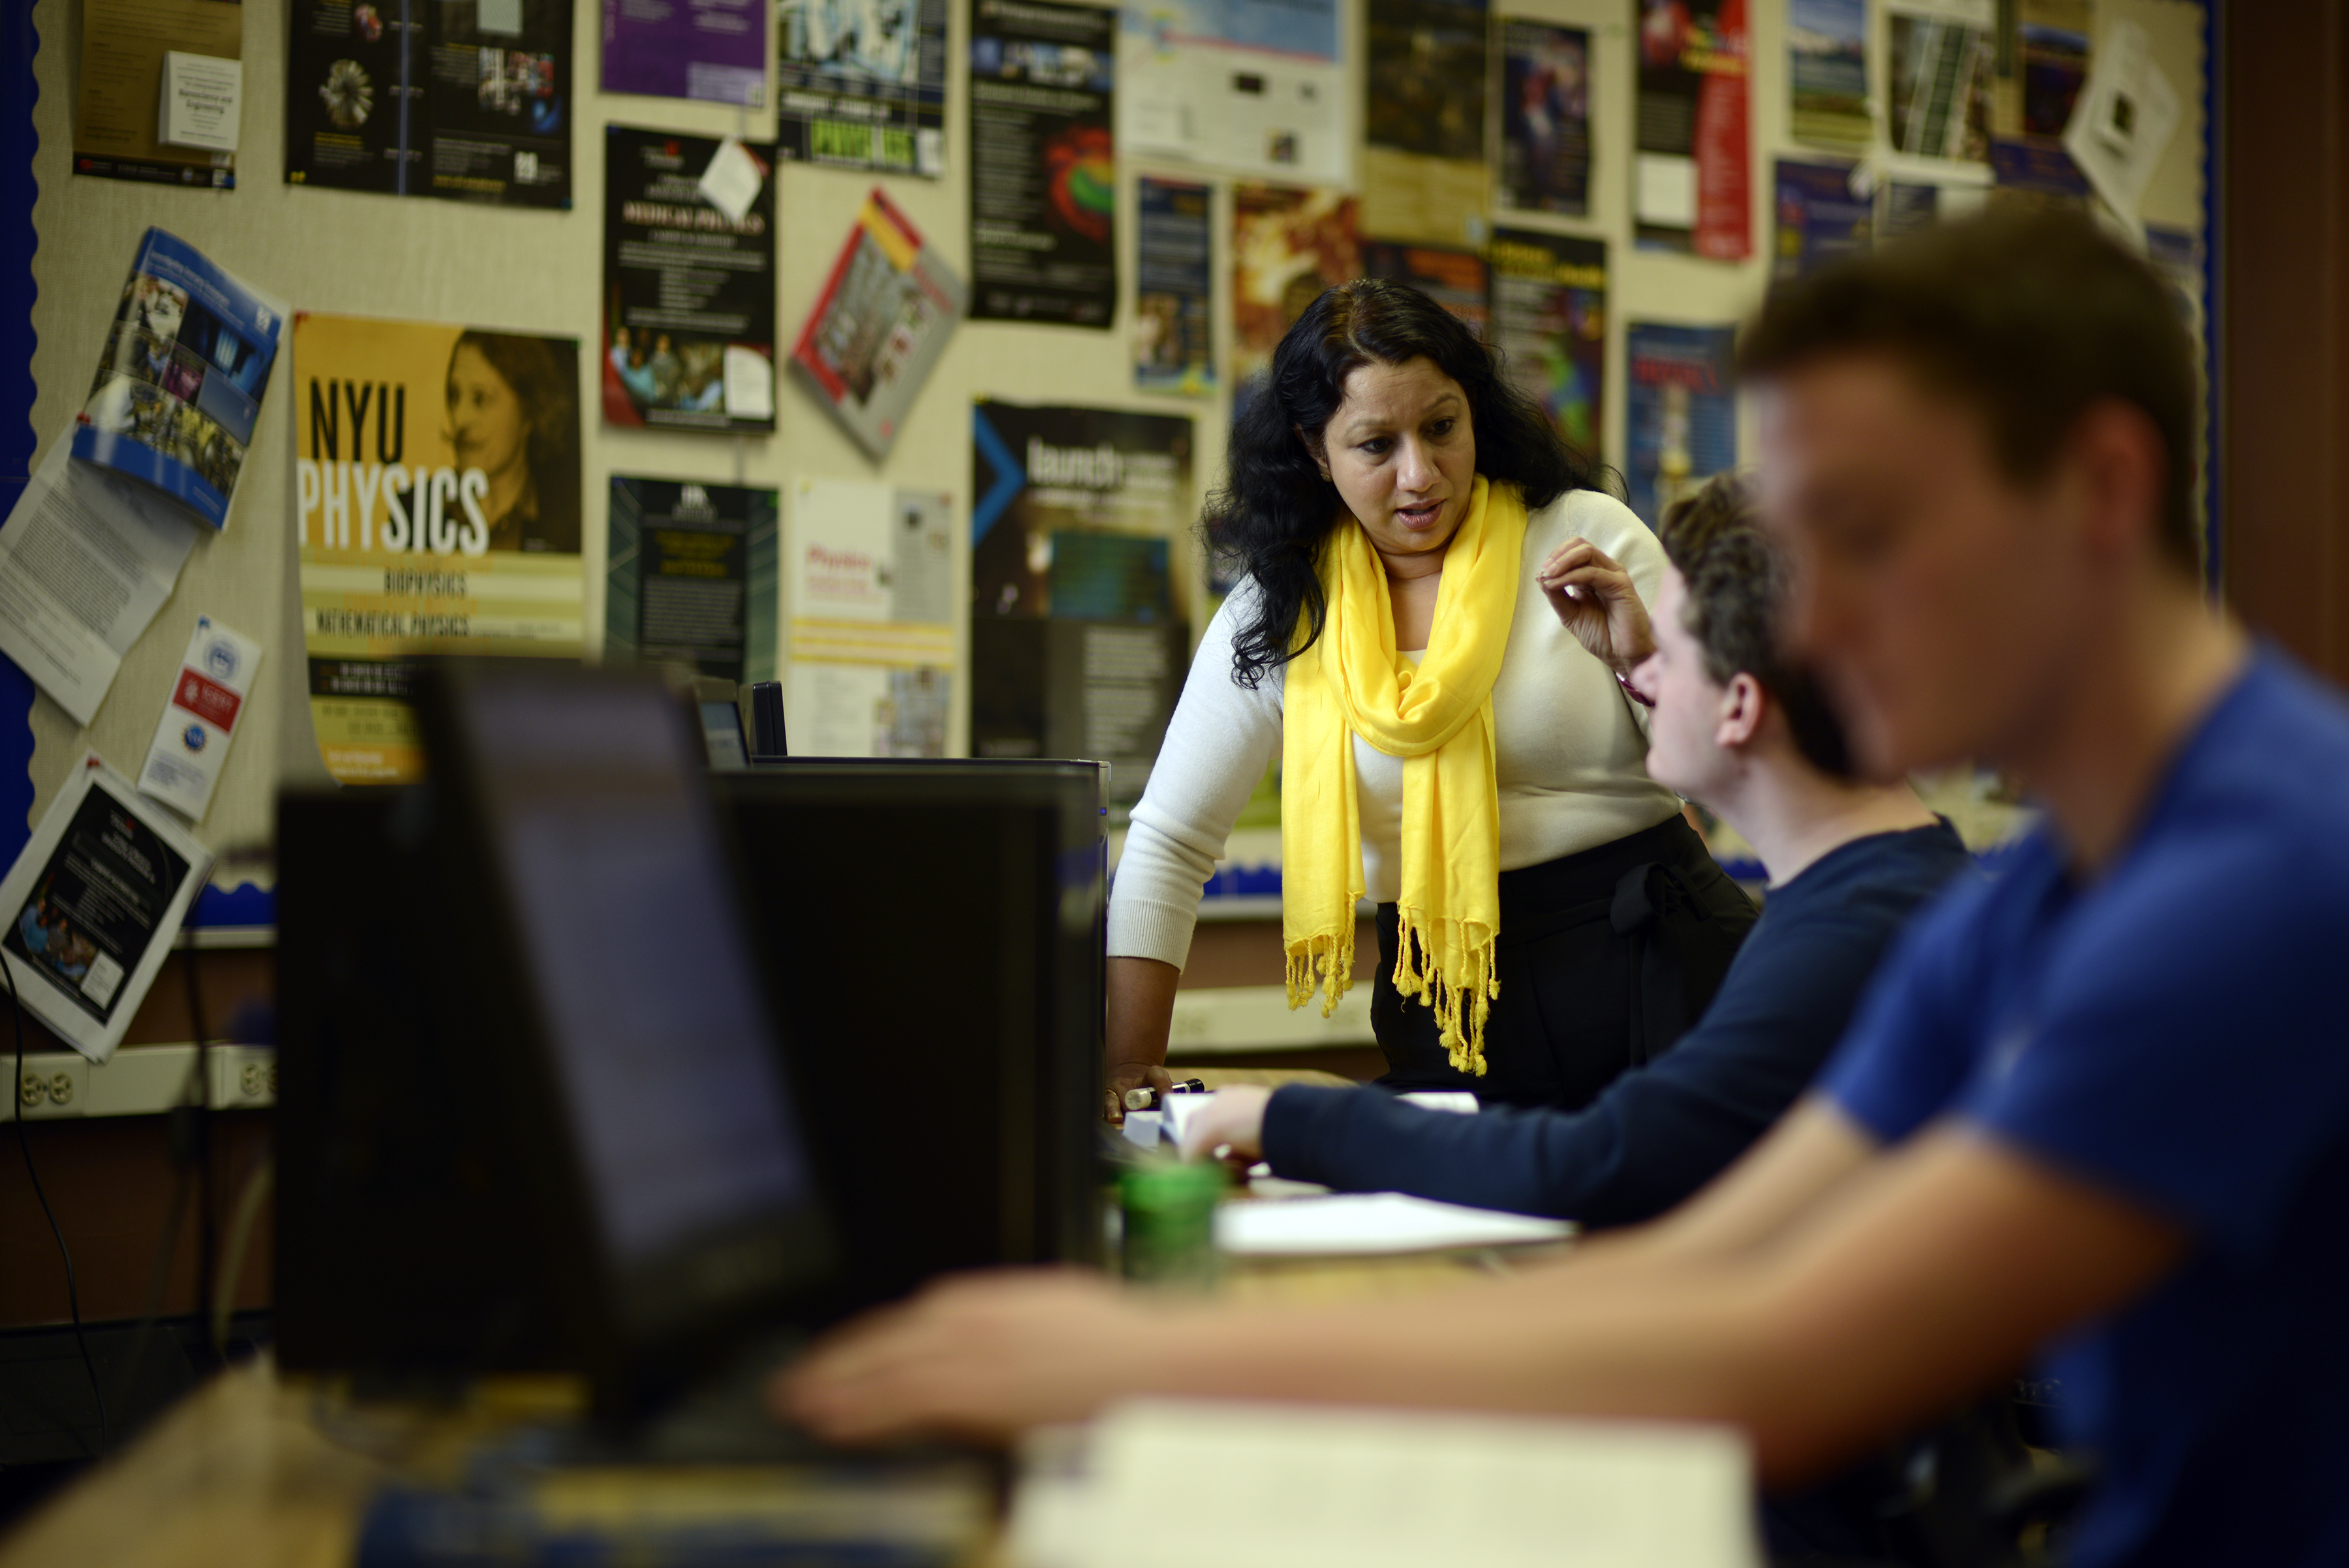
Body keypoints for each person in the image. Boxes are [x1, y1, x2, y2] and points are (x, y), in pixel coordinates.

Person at [776, 208, 2349, 1568]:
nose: (1779, 623)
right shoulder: (2010, 897)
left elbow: (1785, 1351)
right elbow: (1685, 1264)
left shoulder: (2247, 891)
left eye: (1859, 533)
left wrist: (1138, 1359)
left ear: (2095, 487)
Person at [1180, 472, 1971, 1224]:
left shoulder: (1842, 944)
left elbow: (1600, 1160)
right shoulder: (1896, 887)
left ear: (1738, 706)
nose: (1640, 673)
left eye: (1670, 654)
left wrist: (1297, 1122)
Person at [1110, 279, 1755, 1118]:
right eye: (1376, 445)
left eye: (1441, 427)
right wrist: (1128, 1066)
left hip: (1660, 960)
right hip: (1445, 1003)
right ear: (1315, 451)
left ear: (1474, 414)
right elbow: (1170, 841)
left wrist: (1644, 659)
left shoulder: (1582, 535)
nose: (1421, 474)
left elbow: (1737, 770)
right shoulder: (1278, 614)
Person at [444, 330, 580, 555]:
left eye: (480, 399)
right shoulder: (413, 509)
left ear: (529, 411)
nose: (460, 418)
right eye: (454, 396)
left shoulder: (566, 523)